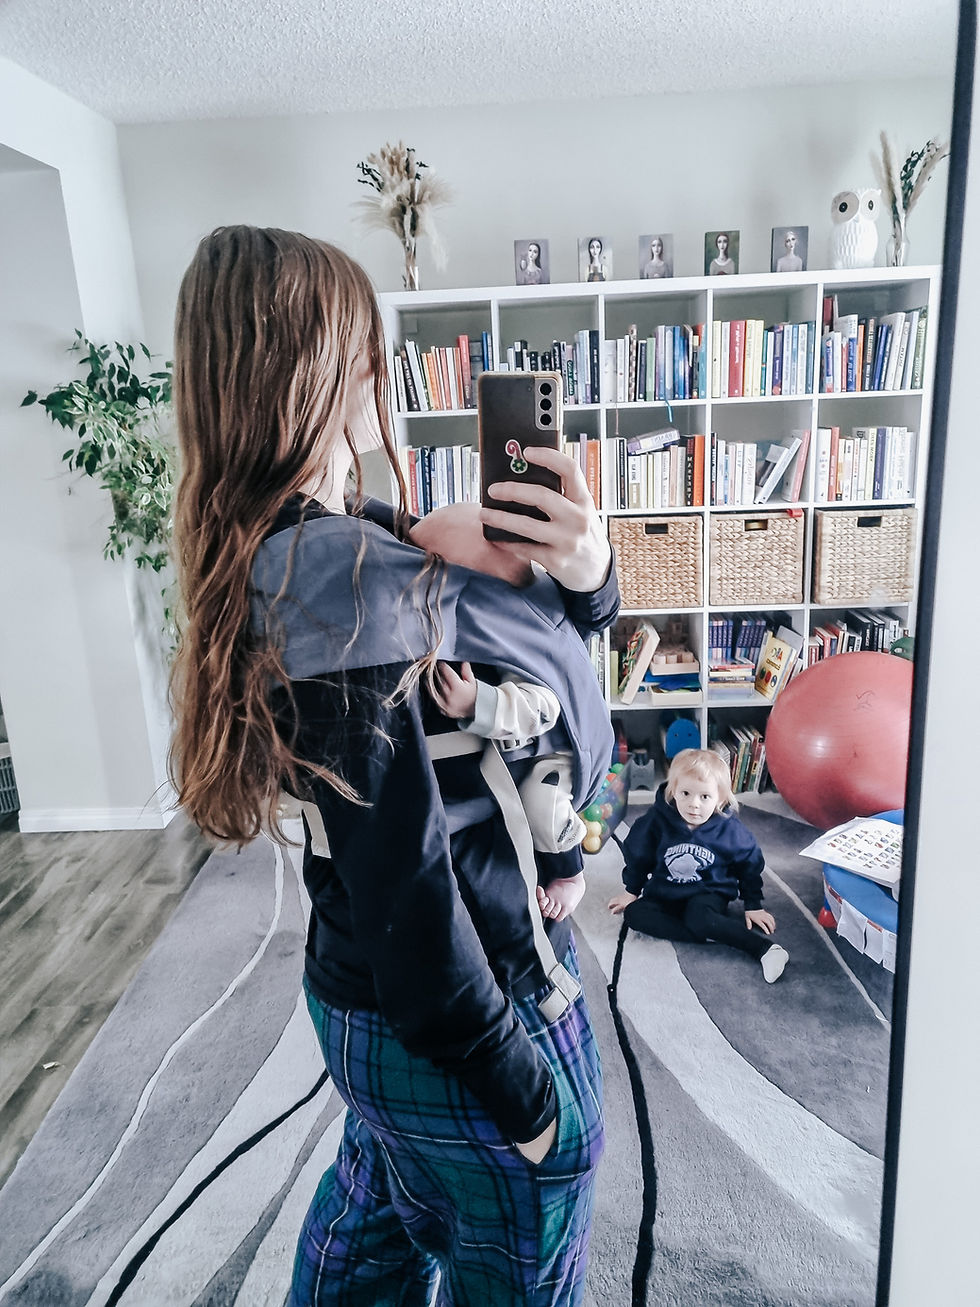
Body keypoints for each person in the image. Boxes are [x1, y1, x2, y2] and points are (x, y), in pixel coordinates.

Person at [169, 225, 619, 1306]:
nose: (379, 368)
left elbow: (506, 630)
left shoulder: (291, 543)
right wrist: (528, 1097)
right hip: (464, 997)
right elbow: (411, 881)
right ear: (310, 368)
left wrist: (588, 569)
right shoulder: (340, 581)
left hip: (356, 993)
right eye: (360, 345)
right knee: (513, 1241)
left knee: (380, 1214)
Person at [410, 502, 589, 920]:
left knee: (541, 804)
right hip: (504, 756)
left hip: (550, 753)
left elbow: (543, 708)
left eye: (444, 578)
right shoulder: (469, 624)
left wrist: (479, 704)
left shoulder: (513, 628)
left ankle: (570, 874)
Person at [608, 749, 789, 983]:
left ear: (720, 799)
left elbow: (749, 864)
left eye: (705, 797)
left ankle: (765, 950)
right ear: (673, 791)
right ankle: (710, 934)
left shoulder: (729, 830)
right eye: (685, 793)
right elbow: (638, 855)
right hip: (664, 891)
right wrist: (631, 891)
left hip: (708, 892)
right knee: (635, 915)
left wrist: (752, 904)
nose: (694, 804)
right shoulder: (655, 821)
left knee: (700, 917)